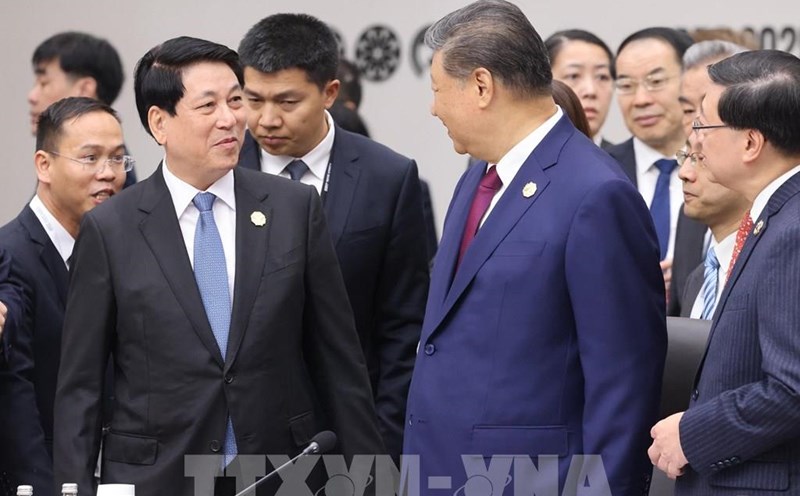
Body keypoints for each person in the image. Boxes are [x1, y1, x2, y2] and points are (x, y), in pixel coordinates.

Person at [53, 36, 383, 496]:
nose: (230, 119)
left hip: (279, 472)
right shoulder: (112, 229)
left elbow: (340, 365)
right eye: (208, 106)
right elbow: (81, 388)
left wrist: (372, 482)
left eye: (235, 100)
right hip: (160, 477)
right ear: (160, 122)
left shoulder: (294, 209)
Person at [402, 2, 667, 495]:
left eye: (437, 90)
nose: (433, 108)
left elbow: (623, 384)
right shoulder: (477, 177)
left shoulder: (596, 193)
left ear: (482, 86)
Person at [236, 14, 429, 460]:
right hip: (239, 438)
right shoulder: (218, 173)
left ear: (330, 92)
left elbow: (403, 327)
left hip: (351, 437)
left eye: (287, 102)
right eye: (253, 100)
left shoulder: (388, 177)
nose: (267, 119)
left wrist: (383, 442)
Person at [649, 50, 800, 495]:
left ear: (751, 143)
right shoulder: (774, 216)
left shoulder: (792, 230)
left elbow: (792, 388)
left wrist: (692, 434)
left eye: (702, 126)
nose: (694, 141)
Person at [0, 97, 128, 496]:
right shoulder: (10, 254)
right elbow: (14, 394)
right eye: (90, 158)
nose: (108, 173)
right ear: (44, 165)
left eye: (118, 158)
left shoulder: (118, 249)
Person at [606, 27, 705, 311]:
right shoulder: (599, 171)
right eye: (626, 85)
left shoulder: (722, 171)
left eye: (656, 81)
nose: (641, 100)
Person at [669, 40, 750, 316]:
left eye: (706, 110)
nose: (695, 125)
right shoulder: (692, 212)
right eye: (687, 110)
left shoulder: (781, 236)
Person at [27, 32, 136, 189]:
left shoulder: (113, 186)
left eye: (44, 83)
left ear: (85, 90)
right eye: (91, 158)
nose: (32, 96)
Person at [545, 29, 615, 146]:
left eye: (602, 77)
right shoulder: (518, 155)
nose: (591, 91)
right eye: (573, 76)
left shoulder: (617, 158)